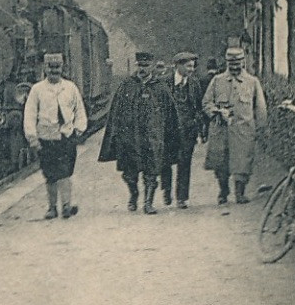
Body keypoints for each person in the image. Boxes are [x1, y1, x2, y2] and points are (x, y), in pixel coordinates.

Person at [98, 51, 173, 214]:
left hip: (153, 136)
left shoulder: (160, 87)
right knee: (129, 173)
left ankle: (148, 202)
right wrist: (117, 133)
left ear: (152, 66)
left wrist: (168, 135)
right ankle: (134, 194)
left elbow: (170, 113)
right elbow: (116, 110)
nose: (142, 69)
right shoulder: (127, 85)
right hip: (131, 136)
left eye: (146, 66)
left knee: (151, 171)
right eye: (140, 65)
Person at [23, 52, 88, 220]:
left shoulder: (70, 88)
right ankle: (52, 207)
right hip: (46, 138)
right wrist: (32, 137)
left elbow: (79, 109)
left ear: (62, 68)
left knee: (66, 172)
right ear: (45, 69)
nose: (54, 72)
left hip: (66, 136)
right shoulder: (37, 90)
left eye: (57, 68)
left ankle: (66, 205)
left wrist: (79, 129)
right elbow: (30, 114)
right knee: (50, 174)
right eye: (50, 68)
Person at [202, 45, 268, 204]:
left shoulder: (252, 82)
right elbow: (206, 102)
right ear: (226, 63)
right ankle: (223, 191)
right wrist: (216, 112)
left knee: (242, 163)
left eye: (238, 62)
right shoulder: (217, 81)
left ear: (243, 62)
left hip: (243, 131)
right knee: (221, 164)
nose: (235, 65)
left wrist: (261, 129)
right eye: (231, 62)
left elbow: (260, 107)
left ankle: (240, 193)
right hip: (221, 130)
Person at [160, 52, 205, 209]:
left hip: (187, 131)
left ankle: (182, 198)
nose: (191, 69)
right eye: (188, 66)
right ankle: (166, 189)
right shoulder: (164, 82)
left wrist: (200, 130)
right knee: (165, 162)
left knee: (185, 162)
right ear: (178, 66)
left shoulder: (194, 83)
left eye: (193, 66)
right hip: (168, 131)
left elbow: (199, 108)